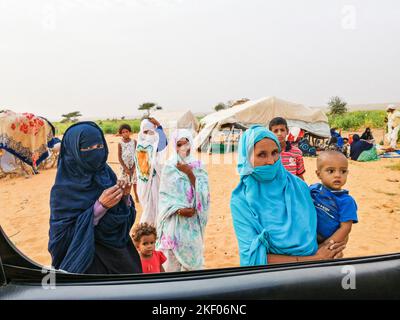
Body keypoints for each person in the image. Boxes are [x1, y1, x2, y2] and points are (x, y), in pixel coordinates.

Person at [230, 125, 345, 266]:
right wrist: (313, 259)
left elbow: (323, 229)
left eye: (274, 152)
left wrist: (331, 249)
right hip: (271, 278)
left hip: (314, 271)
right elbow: (253, 257)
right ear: (246, 158)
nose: (271, 161)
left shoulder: (298, 186)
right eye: (262, 154)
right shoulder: (241, 200)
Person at [49, 122, 142, 274]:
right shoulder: (62, 190)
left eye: (99, 146)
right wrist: (99, 208)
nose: (95, 153)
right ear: (73, 151)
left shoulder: (107, 175)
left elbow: (123, 227)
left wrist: (125, 197)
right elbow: (60, 240)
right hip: (88, 264)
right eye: (86, 148)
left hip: (120, 257)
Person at [156, 129, 210, 272]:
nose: (183, 148)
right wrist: (178, 210)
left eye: (186, 144)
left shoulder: (198, 165)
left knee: (193, 266)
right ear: (174, 146)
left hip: (191, 222)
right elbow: (164, 197)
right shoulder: (169, 166)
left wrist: (189, 172)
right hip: (173, 222)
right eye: (179, 144)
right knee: (171, 265)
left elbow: (205, 194)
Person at [310, 151, 358, 246]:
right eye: (331, 171)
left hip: (327, 239)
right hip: (308, 235)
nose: (338, 175)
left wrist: (327, 245)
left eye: (343, 171)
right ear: (319, 174)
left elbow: (345, 228)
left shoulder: (346, 201)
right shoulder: (314, 189)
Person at [135, 117, 168, 224]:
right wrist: (159, 126)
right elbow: (163, 143)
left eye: (150, 131)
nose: (149, 134)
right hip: (151, 183)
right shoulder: (150, 145)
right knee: (152, 210)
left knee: (149, 209)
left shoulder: (139, 144)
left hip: (143, 185)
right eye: (147, 131)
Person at [118, 124, 139, 203]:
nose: (125, 133)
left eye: (127, 131)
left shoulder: (134, 142)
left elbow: (137, 155)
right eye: (123, 132)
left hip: (133, 165)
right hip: (124, 167)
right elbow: (119, 157)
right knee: (126, 183)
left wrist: (133, 167)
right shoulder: (120, 143)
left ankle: (137, 196)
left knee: (134, 182)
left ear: (130, 132)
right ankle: (127, 197)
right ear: (121, 133)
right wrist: (126, 168)